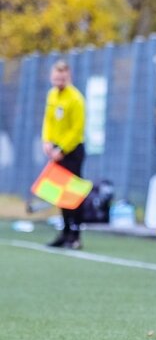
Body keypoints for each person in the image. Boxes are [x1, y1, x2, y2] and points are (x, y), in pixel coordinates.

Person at [42, 60, 86, 249]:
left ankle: (75, 235)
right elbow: (48, 121)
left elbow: (77, 129)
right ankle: (65, 232)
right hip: (56, 150)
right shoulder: (52, 95)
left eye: (62, 78)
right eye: (56, 78)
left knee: (73, 193)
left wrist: (62, 149)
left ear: (68, 77)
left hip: (72, 151)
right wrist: (47, 141)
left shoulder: (76, 98)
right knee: (60, 193)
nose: (59, 82)